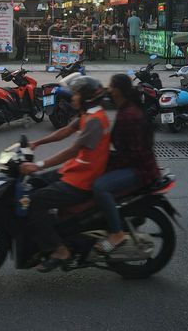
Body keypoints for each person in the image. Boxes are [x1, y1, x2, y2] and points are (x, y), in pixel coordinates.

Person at [20, 77, 110, 272]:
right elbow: (66, 130)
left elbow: (71, 151)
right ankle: (54, 229)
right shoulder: (87, 114)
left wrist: (39, 165)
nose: (73, 97)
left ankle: (60, 250)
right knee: (34, 184)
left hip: (83, 180)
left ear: (86, 98)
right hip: (74, 170)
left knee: (34, 201)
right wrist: (37, 143)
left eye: (76, 94)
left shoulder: (95, 120)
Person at [93, 74, 159, 254]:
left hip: (140, 170)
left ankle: (116, 233)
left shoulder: (130, 115)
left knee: (99, 187)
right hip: (132, 163)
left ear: (119, 90)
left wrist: (109, 162)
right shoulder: (124, 109)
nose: (108, 89)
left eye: (111, 86)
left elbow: (134, 154)